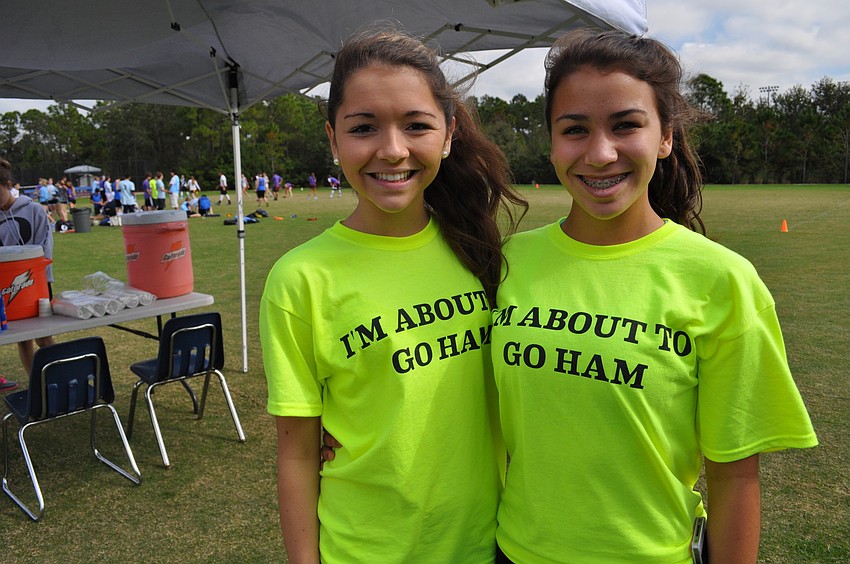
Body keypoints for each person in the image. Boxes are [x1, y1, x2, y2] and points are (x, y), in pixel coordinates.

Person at [490, 29, 818, 563]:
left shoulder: (722, 280)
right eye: (575, 130)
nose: (600, 153)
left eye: (626, 125)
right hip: (515, 552)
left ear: (665, 136)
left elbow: (735, 475)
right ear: (551, 141)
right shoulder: (505, 263)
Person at [260, 27, 525, 564]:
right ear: (333, 140)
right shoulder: (300, 279)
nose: (393, 150)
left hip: (488, 542)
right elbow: (296, 452)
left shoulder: (481, 251)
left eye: (416, 125)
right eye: (364, 128)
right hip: (365, 549)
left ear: (447, 135)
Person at [0, 159, 56, 390]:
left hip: (38, 284)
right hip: (7, 288)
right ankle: (37, 385)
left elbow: (45, 246)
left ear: (9, 185)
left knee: (44, 336)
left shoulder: (32, 209)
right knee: (23, 339)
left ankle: (56, 378)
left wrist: (36, 276)